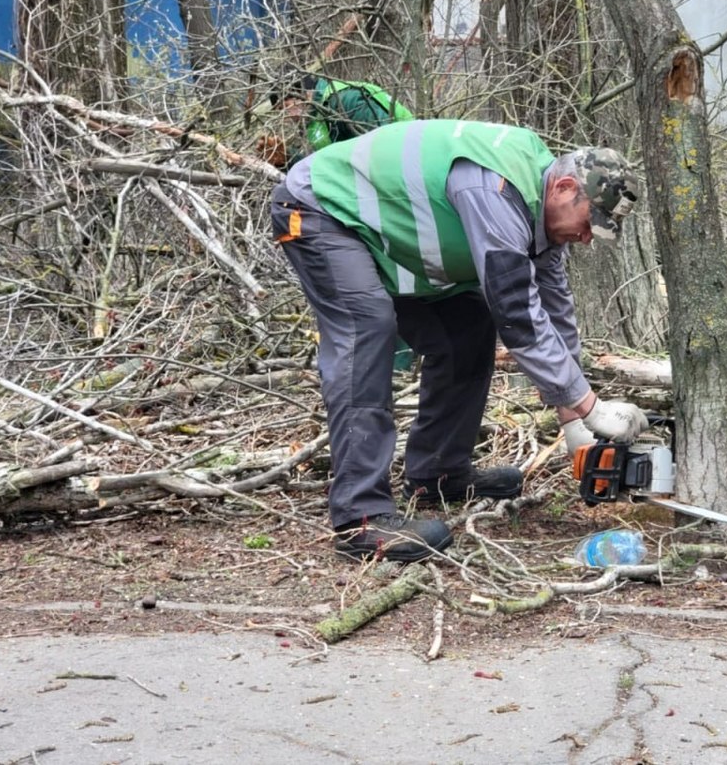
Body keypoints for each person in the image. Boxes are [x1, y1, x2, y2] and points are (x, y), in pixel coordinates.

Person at [270, 119, 650, 562]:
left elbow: (553, 309)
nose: (587, 238)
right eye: (590, 223)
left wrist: (574, 421)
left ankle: (437, 473)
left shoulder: (537, 207)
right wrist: (591, 407)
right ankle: (361, 519)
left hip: (375, 235)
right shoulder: (496, 190)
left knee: (466, 326)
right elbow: (516, 311)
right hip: (320, 208)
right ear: (565, 188)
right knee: (366, 328)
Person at [257, 76, 414, 169]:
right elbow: (328, 166)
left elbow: (388, 150)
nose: (286, 117)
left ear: (302, 94)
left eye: (285, 108)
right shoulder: (315, 118)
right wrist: (289, 159)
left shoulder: (346, 100)